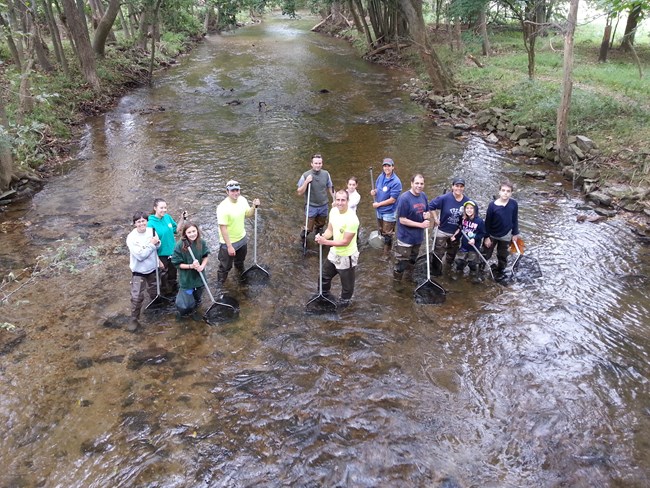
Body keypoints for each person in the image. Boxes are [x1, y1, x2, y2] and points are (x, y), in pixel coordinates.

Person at [314, 189, 360, 306]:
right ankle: (324, 296)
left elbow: (345, 242)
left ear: (347, 201)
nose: (340, 203)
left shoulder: (352, 219)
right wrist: (323, 237)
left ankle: (344, 305)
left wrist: (326, 242)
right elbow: (330, 229)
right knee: (323, 277)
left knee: (347, 288)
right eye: (338, 200)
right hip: (334, 253)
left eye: (343, 200)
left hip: (347, 256)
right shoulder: (334, 211)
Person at [427, 177, 477, 273]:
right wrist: (436, 218)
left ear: (464, 188)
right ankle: (436, 271)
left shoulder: (467, 202)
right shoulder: (444, 198)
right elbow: (431, 206)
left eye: (461, 186)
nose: (459, 188)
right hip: (441, 230)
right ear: (452, 187)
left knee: (452, 252)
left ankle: (447, 268)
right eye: (456, 186)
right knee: (438, 252)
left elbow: (472, 216)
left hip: (456, 232)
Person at [216, 179, 261, 286]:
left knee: (240, 262)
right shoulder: (222, 207)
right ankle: (220, 286)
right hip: (228, 243)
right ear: (227, 192)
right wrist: (229, 246)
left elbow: (248, 214)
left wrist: (254, 207)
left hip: (242, 239)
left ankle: (241, 278)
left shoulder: (242, 200)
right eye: (232, 191)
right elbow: (223, 228)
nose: (235, 193)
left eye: (237, 190)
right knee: (225, 267)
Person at [126, 211, 161, 332]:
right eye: (138, 221)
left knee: (155, 290)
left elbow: (157, 245)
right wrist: (151, 244)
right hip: (138, 271)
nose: (141, 223)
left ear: (147, 221)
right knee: (136, 297)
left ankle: (154, 310)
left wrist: (155, 245)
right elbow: (140, 256)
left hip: (152, 268)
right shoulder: (131, 237)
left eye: (143, 221)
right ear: (135, 223)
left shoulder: (152, 230)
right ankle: (134, 319)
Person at [393, 174, 430, 281]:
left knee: (413, 260)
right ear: (412, 183)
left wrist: (427, 216)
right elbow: (402, 220)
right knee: (401, 263)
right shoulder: (404, 199)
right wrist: (421, 225)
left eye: (421, 183)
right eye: (417, 183)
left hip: (418, 238)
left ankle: (408, 278)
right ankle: (397, 283)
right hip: (405, 238)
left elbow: (426, 211)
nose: (419, 186)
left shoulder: (423, 196)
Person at [481, 181, 520, 280]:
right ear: (499, 192)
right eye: (503, 190)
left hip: (506, 235)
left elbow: (515, 219)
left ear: (511, 193)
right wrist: (486, 237)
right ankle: (480, 270)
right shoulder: (492, 205)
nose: (505, 193)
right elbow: (487, 222)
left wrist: (515, 233)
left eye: (508, 191)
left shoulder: (514, 204)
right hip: (492, 235)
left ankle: (500, 270)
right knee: (485, 254)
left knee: (503, 255)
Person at [171, 222, 210, 320]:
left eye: (194, 231)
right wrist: (191, 266)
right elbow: (176, 263)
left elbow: (205, 256)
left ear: (197, 231)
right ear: (185, 234)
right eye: (189, 232)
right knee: (185, 306)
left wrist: (202, 266)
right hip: (187, 280)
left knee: (198, 300)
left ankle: (196, 312)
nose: (192, 234)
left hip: (200, 279)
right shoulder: (179, 246)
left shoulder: (201, 242)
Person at [297, 154, 335, 244]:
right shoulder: (305, 175)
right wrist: (306, 182)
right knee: (308, 228)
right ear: (312, 164)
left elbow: (331, 187)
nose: (318, 165)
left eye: (319, 163)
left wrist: (335, 199)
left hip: (323, 205)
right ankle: (303, 238)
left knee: (321, 225)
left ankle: (318, 239)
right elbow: (299, 192)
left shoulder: (326, 174)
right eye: (316, 163)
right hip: (311, 206)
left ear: (322, 164)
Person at [147, 198, 181, 296]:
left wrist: (182, 219)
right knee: (162, 279)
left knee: (173, 276)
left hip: (173, 253)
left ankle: (174, 294)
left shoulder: (167, 217)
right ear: (155, 208)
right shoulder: (150, 223)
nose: (164, 210)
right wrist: (158, 260)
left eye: (165, 208)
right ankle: (163, 297)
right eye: (161, 208)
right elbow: (151, 244)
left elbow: (176, 230)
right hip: (161, 255)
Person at [370, 157, 402, 255]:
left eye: (389, 166)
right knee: (381, 230)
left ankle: (386, 254)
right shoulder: (381, 176)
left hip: (389, 211)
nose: (386, 168)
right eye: (385, 166)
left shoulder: (396, 182)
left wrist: (378, 204)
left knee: (387, 234)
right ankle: (383, 247)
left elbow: (392, 200)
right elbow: (378, 189)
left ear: (393, 167)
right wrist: (374, 191)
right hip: (379, 210)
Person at [450, 201, 486, 283]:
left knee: (472, 263)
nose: (469, 210)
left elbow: (483, 233)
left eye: (471, 208)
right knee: (459, 261)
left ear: (475, 210)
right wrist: (455, 237)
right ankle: (459, 274)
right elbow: (461, 231)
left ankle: (472, 275)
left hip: (474, 247)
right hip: (464, 246)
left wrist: (475, 238)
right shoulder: (463, 220)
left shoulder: (479, 221)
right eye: (467, 208)